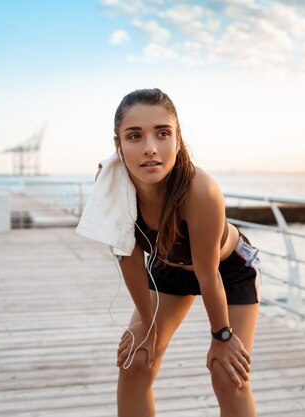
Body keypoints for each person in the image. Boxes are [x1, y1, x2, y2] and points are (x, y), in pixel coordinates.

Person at [111, 88, 262, 417]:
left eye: (162, 133)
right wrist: (146, 324)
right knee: (136, 359)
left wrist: (222, 335)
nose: (150, 148)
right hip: (168, 264)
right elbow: (129, 258)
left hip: (227, 270)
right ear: (118, 145)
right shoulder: (112, 188)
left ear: (178, 140)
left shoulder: (200, 190)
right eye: (134, 136)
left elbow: (209, 275)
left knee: (228, 374)